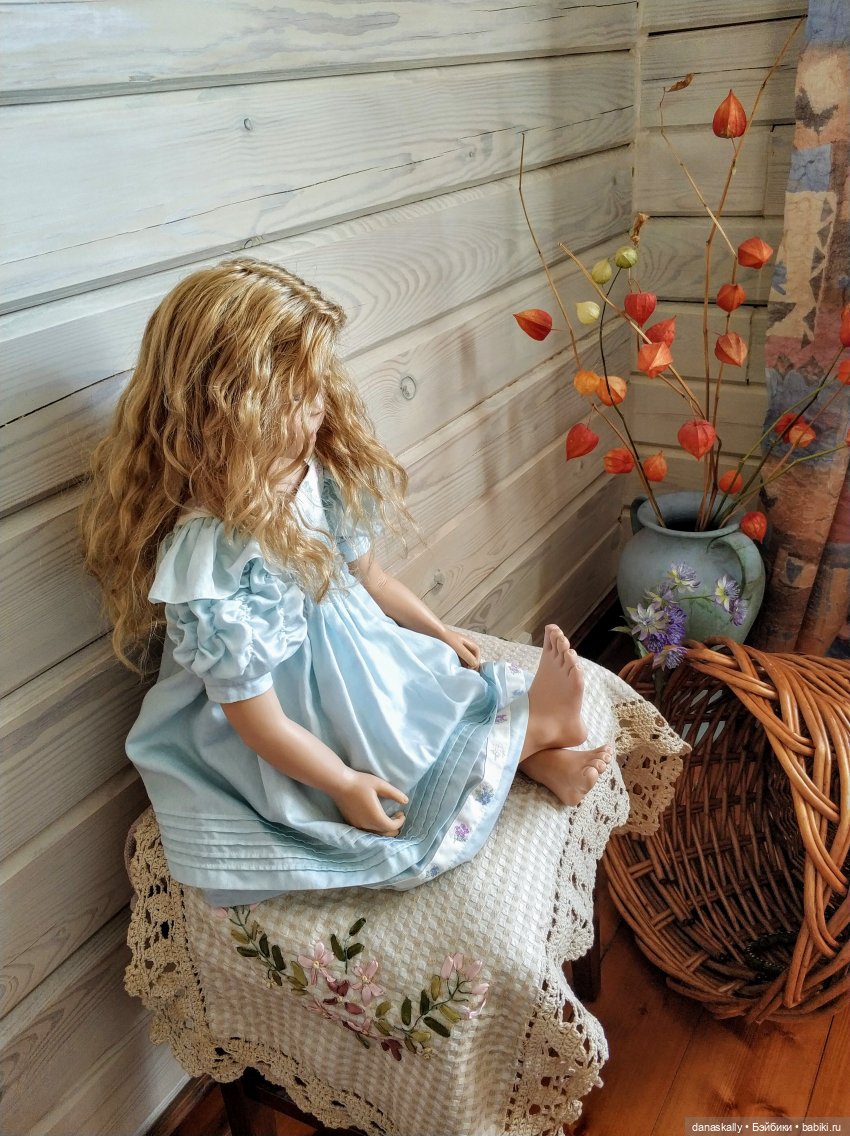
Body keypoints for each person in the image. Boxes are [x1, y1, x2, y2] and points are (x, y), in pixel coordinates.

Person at [81, 258, 612, 906]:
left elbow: (371, 577)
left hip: (358, 656)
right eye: (298, 397)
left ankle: (541, 757)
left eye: (318, 389)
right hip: (286, 708)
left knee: (441, 696)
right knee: (394, 760)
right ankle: (536, 733)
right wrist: (340, 782)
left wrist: (440, 633)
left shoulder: (312, 478)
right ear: (233, 406)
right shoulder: (212, 554)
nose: (319, 409)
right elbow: (257, 722)